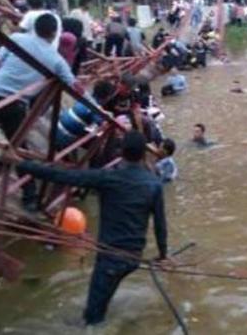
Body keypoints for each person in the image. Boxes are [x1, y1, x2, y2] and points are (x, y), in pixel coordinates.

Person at [16, 131, 169, 326]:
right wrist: (163, 255)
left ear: (121, 152)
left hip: (110, 259)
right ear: (143, 154)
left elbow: (63, 176)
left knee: (92, 319)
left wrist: (21, 164)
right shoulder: (154, 184)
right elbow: (160, 225)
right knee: (102, 301)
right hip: (133, 258)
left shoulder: (108, 178)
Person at [0, 14, 75, 213]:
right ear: (54, 33)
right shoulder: (56, 59)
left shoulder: (17, 39)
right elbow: (75, 86)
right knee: (19, 150)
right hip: (16, 105)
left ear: (34, 27)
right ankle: (30, 199)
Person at [56, 80, 116, 149]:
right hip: (62, 140)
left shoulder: (86, 97)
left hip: (55, 128)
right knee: (97, 140)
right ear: (107, 97)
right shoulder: (96, 110)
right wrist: (109, 118)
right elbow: (103, 126)